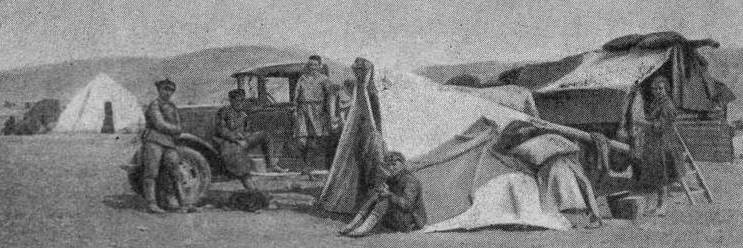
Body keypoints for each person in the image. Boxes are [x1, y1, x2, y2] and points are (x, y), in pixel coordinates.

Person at [339, 151, 426, 237]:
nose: (391, 168)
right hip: (397, 216)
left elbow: (407, 205)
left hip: (411, 222)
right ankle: (352, 225)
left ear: (402, 165)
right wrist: (381, 190)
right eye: (389, 165)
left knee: (385, 198)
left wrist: (389, 194)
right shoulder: (392, 178)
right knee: (377, 195)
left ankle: (363, 229)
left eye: (394, 164)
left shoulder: (411, 181)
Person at [214, 89, 287, 191]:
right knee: (238, 158)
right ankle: (250, 187)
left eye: (242, 100)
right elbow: (221, 130)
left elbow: (248, 130)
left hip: (244, 140)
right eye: (237, 100)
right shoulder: (224, 112)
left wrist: (246, 136)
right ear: (231, 101)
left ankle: (271, 164)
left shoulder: (244, 114)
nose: (240, 103)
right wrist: (235, 138)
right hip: (230, 142)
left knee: (265, 135)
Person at [141, 79, 195, 213]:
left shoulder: (172, 106)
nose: (168, 92)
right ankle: (152, 204)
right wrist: (176, 129)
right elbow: (160, 124)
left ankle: (184, 204)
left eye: (170, 90)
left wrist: (176, 130)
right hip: (154, 140)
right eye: (165, 89)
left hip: (169, 142)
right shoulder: (154, 105)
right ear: (159, 90)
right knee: (151, 173)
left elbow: (177, 124)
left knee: (176, 172)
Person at [640, 75, 683, 216]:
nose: (658, 91)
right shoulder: (656, 103)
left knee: (663, 177)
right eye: (656, 89)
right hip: (655, 143)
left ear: (666, 89)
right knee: (657, 177)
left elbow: (661, 126)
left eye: (661, 88)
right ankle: (657, 204)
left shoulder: (667, 105)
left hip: (665, 144)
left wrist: (644, 124)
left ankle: (663, 206)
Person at [293, 55, 333, 172]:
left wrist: (328, 114)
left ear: (319, 66)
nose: (312, 67)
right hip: (303, 109)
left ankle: (312, 165)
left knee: (316, 139)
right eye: (310, 65)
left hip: (318, 110)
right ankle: (304, 164)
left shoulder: (324, 79)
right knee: (302, 139)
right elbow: (296, 96)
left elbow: (329, 97)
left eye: (315, 65)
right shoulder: (302, 79)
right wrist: (295, 110)